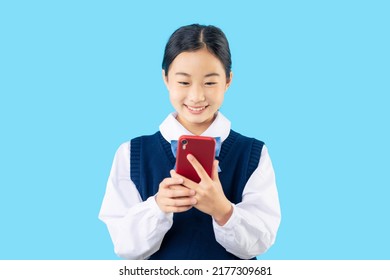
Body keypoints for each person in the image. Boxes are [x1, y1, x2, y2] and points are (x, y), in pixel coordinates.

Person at [98, 24, 281, 260]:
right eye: (184, 82)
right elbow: (124, 246)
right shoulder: (131, 153)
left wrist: (223, 210)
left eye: (210, 82)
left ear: (228, 80)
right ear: (165, 78)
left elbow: (261, 242)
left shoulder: (253, 153)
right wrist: (158, 207)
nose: (196, 96)